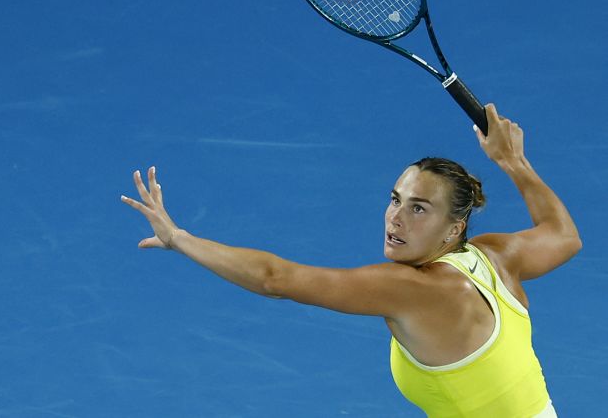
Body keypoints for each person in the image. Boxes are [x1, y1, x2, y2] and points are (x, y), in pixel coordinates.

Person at [121, 104, 581, 417]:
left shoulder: (418, 290)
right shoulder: (495, 256)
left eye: (418, 208)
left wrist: (180, 238)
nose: (395, 218)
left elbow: (276, 278)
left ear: (453, 228)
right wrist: (514, 162)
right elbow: (564, 237)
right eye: (395, 199)